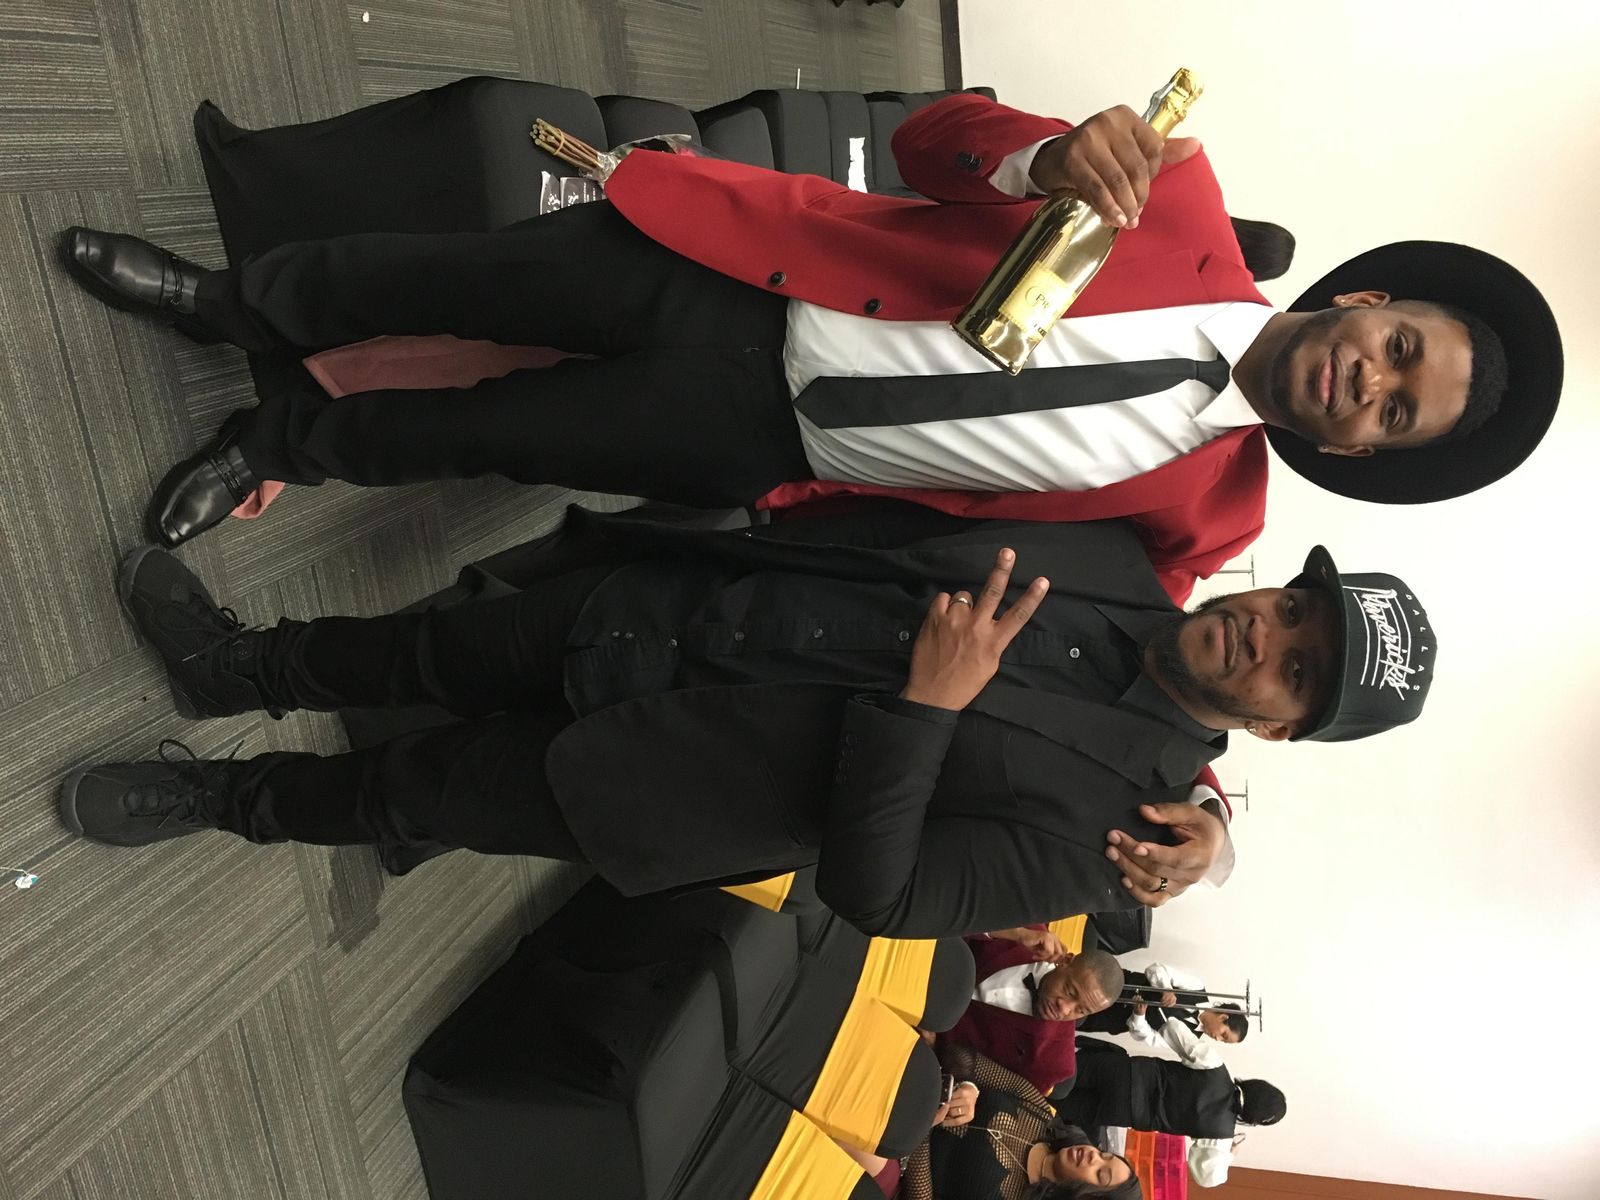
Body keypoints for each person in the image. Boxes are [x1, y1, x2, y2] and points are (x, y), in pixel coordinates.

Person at [60, 94, 1559, 602]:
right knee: (459, 277)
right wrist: (1039, 159)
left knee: (489, 436)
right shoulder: (1170, 189)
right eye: (1399, 348)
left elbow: (1127, 644)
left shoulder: (1214, 518)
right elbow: (931, 139)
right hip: (750, 282)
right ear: (1370, 298)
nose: (1371, 382)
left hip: (769, 448)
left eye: (1396, 414)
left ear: (1362, 449)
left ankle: (279, 444)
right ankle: (228, 303)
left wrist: (1203, 818)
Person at [59, 502, 1436, 937]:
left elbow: (882, 896)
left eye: (1296, 672)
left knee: (404, 794)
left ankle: (223, 801)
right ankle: (234, 669)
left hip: (660, 779)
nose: (1267, 636)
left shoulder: (1121, 837)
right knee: (417, 647)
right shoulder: (1123, 561)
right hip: (666, 608)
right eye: (1293, 610)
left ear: (1274, 731)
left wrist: (925, 712)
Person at [842, 1043, 1141, 1199]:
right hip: (919, 1092)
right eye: (1104, 1155)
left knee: (863, 1127)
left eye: (1100, 1174)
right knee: (900, 1056)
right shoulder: (1042, 1115)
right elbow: (963, 1056)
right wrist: (969, 1088)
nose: (1093, 1156)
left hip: (899, 1164)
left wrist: (924, 1126)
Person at [1062, 1033, 1284, 1187]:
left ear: (1257, 1085)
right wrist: (1229, 1156)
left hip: (1125, 1071)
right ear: (1256, 1120)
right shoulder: (1221, 1137)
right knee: (1057, 1104)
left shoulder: (1216, 1066)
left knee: (1057, 1071)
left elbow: (1173, 1028)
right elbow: (1207, 1178)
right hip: (1125, 1111)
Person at [937, 934, 1124, 1094]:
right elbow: (954, 924)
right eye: (1070, 991)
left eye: (1080, 1010)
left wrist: (971, 1090)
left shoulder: (1056, 1061)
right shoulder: (1028, 934)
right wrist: (1015, 932)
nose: (1064, 1008)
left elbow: (1007, 1098)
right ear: (1066, 961)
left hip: (932, 1048)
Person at [1077, 962, 1248, 1045]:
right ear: (1224, 1017)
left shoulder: (1190, 1039)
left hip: (1109, 1018)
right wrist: (1166, 989)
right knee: (1073, 983)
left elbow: (1151, 1038)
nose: (1217, 1039)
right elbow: (1156, 969)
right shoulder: (1196, 987)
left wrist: (1139, 1016)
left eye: (1223, 1041)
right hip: (1115, 982)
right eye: (1224, 1035)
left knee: (1070, 1016)